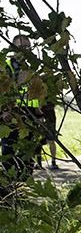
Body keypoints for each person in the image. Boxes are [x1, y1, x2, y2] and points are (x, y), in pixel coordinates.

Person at [1, 34, 42, 185]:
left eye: (28, 47)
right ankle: (7, 194)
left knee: (27, 157)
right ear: (14, 48)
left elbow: (37, 94)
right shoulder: (6, 66)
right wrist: (5, 111)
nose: (25, 50)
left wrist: (39, 114)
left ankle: (23, 191)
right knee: (9, 156)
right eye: (22, 47)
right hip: (11, 118)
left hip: (30, 118)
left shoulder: (32, 68)